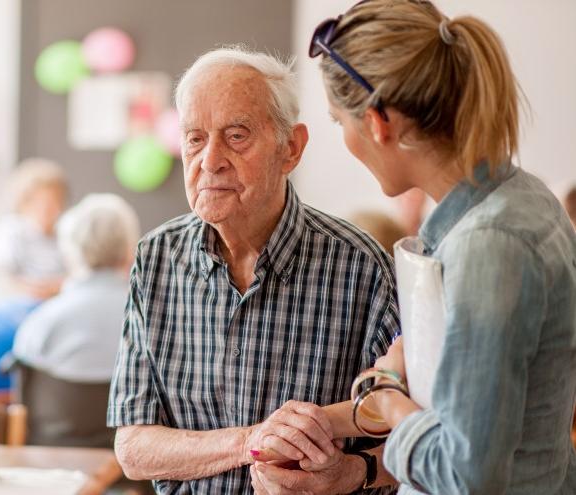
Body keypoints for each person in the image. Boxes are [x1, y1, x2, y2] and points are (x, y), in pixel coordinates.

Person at [251, 2, 576, 494]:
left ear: (378, 123)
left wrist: (385, 395)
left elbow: (464, 473)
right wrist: (326, 420)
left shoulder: (487, 247)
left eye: (340, 123)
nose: (345, 139)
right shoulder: (521, 198)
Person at [107, 47, 400, 494]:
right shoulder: (156, 258)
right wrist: (252, 442)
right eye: (194, 139)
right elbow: (132, 448)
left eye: (237, 136)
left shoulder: (362, 267)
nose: (210, 160)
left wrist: (348, 474)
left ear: (291, 148)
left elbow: (415, 437)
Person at [13, 193, 139, 383]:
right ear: (130, 251)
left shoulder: (39, 325)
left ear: (70, 252)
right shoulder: (153, 321)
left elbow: (24, 393)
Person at [0, 158, 68, 299]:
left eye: (57, 201)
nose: (52, 208)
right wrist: (33, 289)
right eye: (44, 202)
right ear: (25, 202)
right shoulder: (10, 231)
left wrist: (57, 287)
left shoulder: (66, 233)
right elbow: (1, 278)